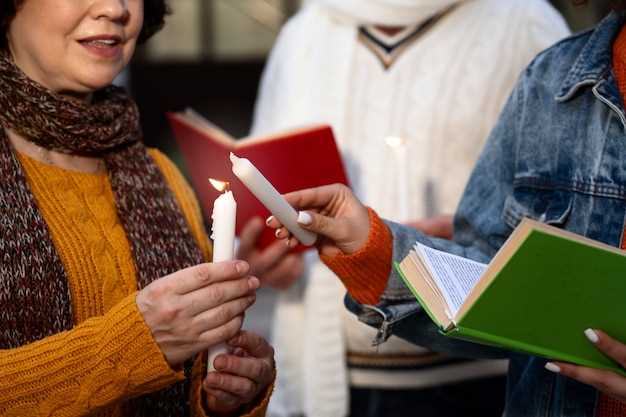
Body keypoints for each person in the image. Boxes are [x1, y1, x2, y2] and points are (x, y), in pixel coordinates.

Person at [267, 6, 626, 417]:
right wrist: (371, 248)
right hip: (337, 367)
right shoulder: (552, 76)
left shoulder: (523, 23)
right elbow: (502, 286)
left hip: (464, 388)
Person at [0, 0, 275, 416]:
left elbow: (191, 383)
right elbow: (141, 345)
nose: (115, 7)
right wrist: (132, 347)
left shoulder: (161, 175)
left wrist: (224, 398)